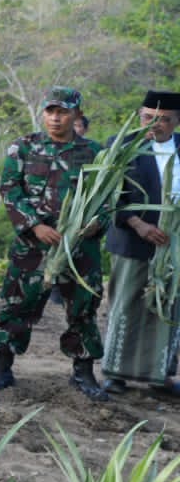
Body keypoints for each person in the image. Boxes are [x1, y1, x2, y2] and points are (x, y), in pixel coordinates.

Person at [0, 87, 108, 397]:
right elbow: (10, 190)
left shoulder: (95, 153)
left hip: (79, 248)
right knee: (18, 303)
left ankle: (83, 373)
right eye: (51, 111)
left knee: (83, 307)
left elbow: (108, 197)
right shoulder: (24, 148)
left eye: (63, 112)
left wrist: (96, 223)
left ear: (77, 115)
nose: (55, 117)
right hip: (33, 246)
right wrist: (35, 225)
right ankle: (1, 368)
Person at [101, 91, 180, 396]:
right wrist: (138, 223)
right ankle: (115, 373)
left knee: (168, 307)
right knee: (127, 303)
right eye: (148, 117)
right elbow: (107, 195)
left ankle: (160, 375)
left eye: (163, 120)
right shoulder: (120, 146)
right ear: (139, 115)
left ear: (176, 121)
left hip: (173, 245)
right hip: (133, 239)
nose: (154, 125)